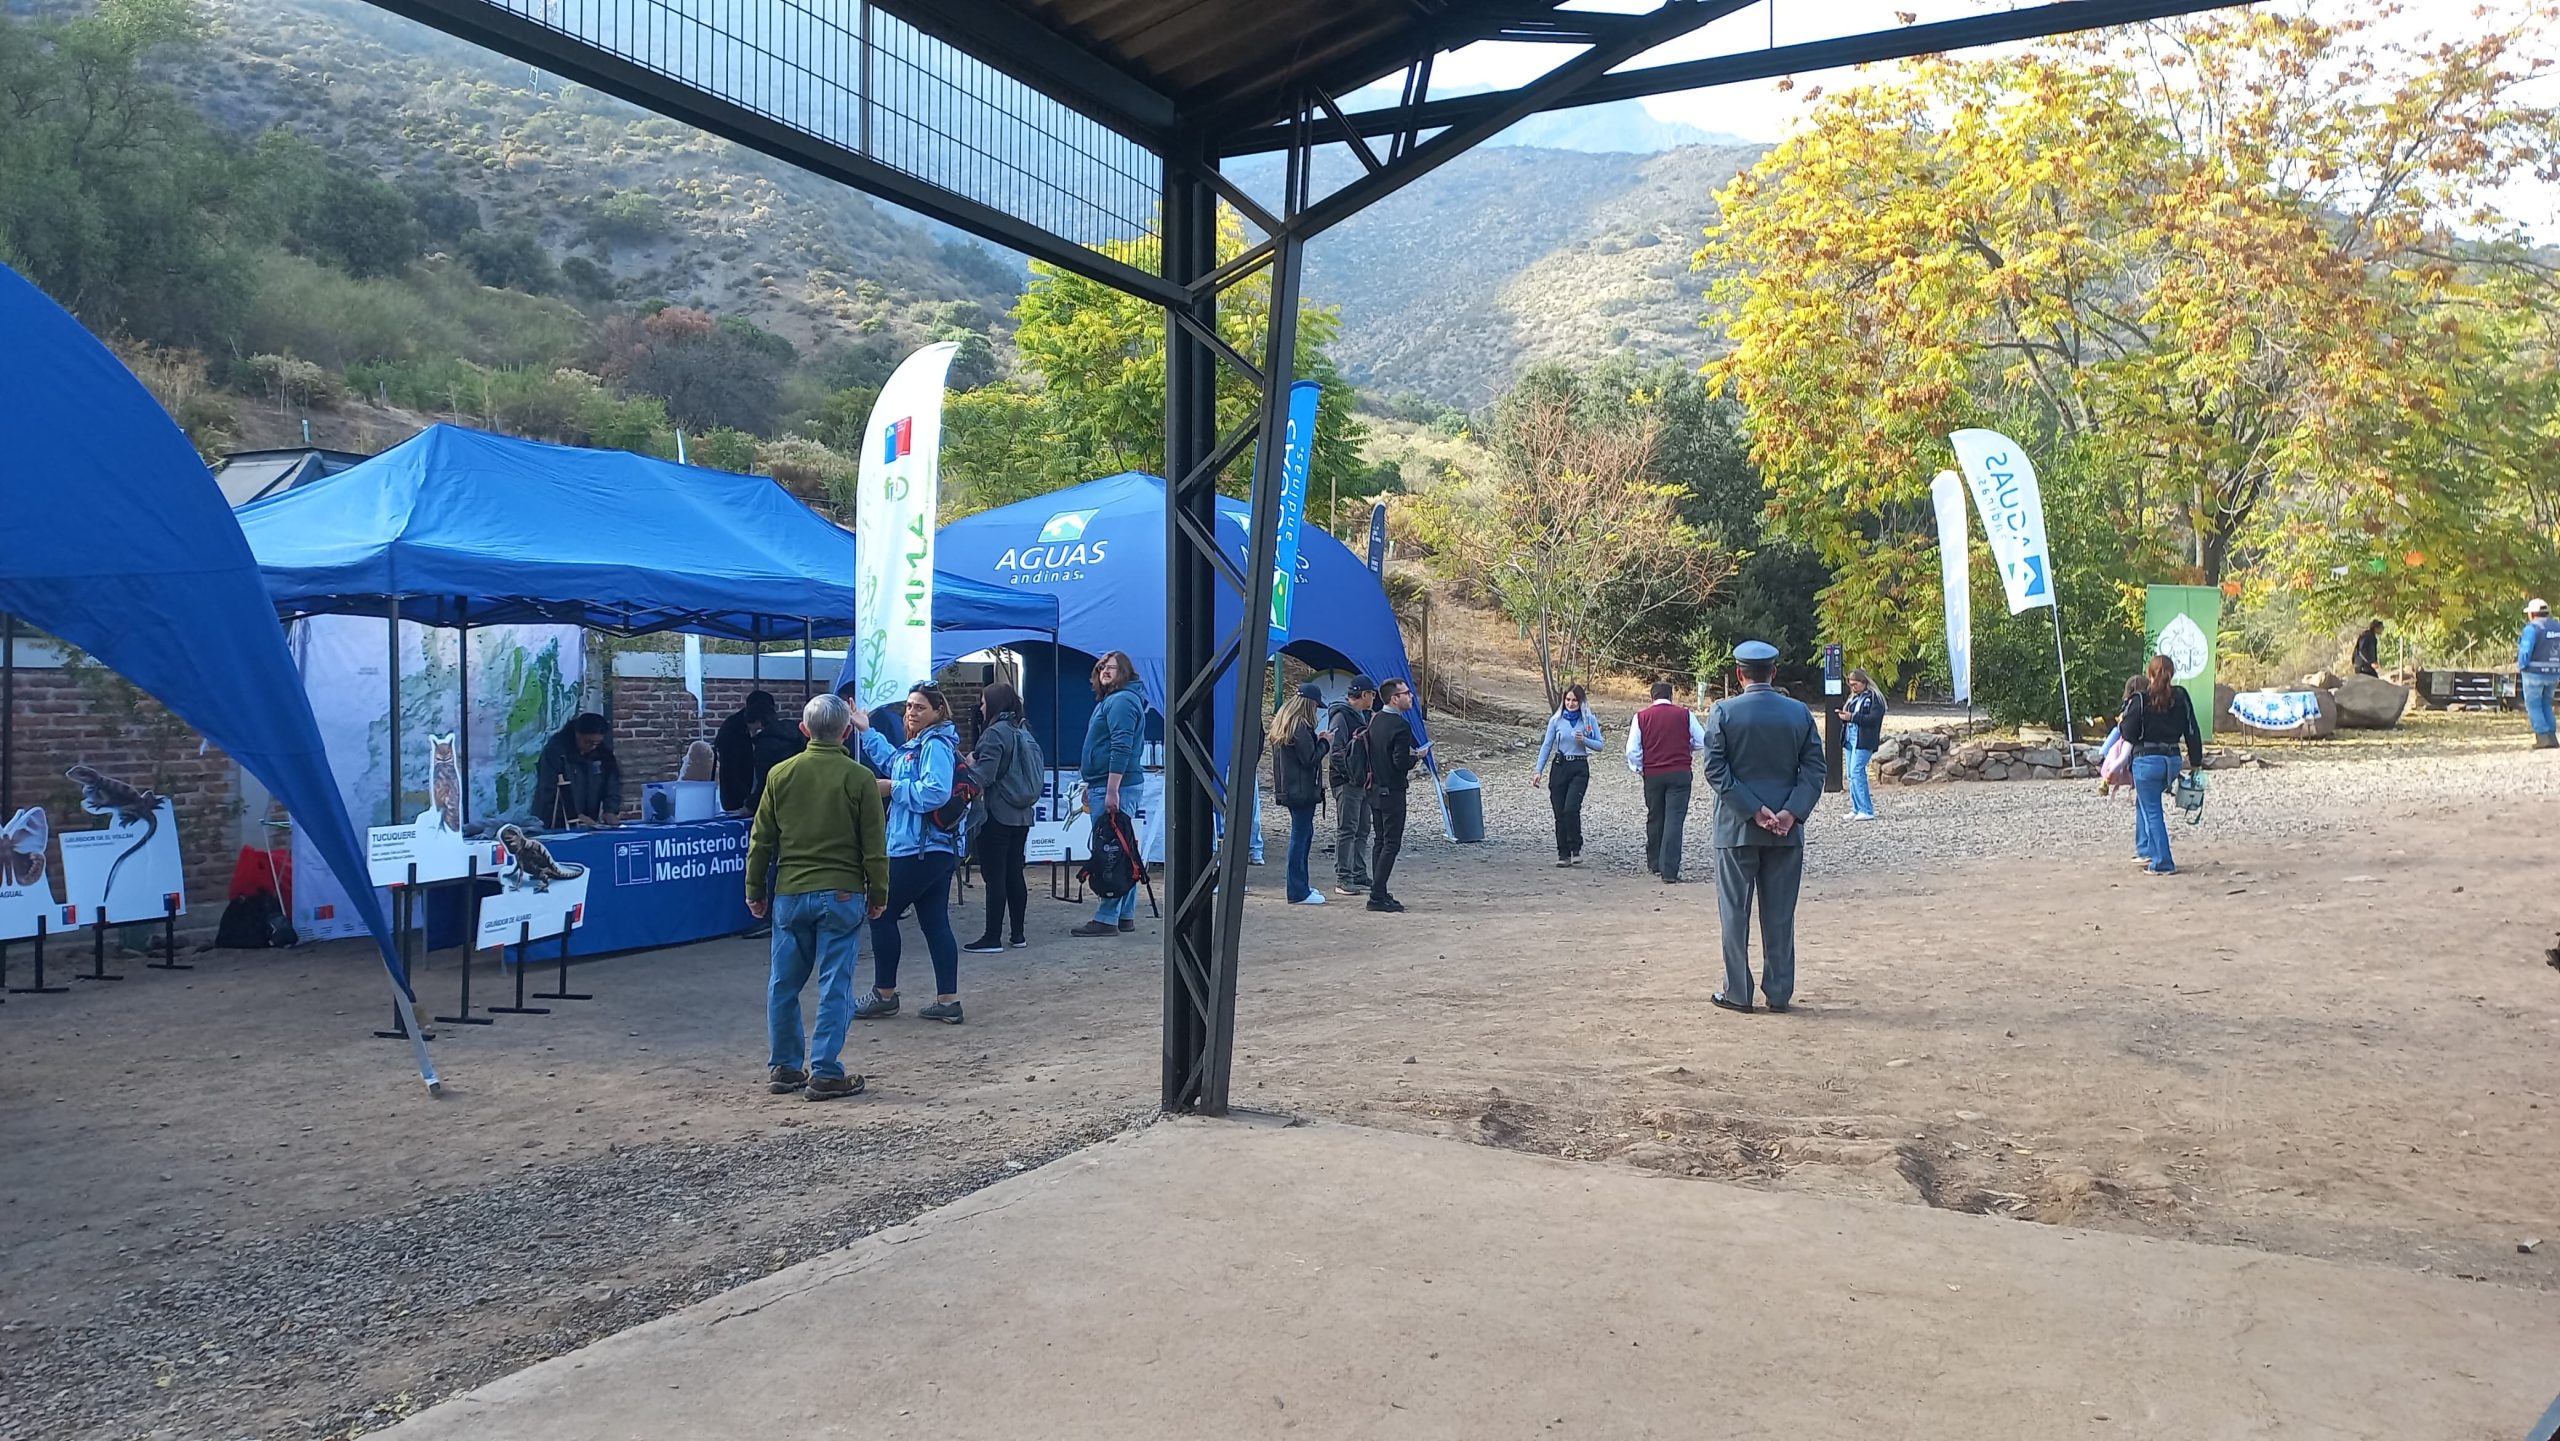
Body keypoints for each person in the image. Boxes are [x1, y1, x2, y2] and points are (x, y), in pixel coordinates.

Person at [745, 694, 889, 1101]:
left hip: (790, 892)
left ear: (804, 729)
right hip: (842, 892)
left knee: (783, 983)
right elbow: (874, 846)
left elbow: (761, 841)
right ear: (846, 732)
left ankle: (785, 1066)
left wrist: (755, 889)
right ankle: (826, 1070)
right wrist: (879, 892)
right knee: (835, 984)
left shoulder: (780, 774)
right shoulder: (859, 778)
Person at [1701, 641, 1827, 1014]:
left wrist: (1754, 810)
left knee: (1734, 914)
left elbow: (1715, 769)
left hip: (1736, 829)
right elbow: (1815, 769)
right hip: (1786, 833)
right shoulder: (1799, 713)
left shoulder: (1723, 712)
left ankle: (1738, 993)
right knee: (1780, 916)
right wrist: (1791, 812)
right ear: (1774, 672)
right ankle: (1779, 992)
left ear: (1739, 674)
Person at [848, 684, 966, 1023]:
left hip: (918, 848)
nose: (912, 712)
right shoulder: (923, 745)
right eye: (910, 706)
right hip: (930, 848)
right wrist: (867, 731)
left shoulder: (935, 746)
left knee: (881, 913)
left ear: (938, 712)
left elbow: (935, 792)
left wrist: (892, 788)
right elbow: (894, 761)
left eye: (920, 707)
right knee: (934, 921)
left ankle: (885, 994)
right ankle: (947, 1001)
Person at [1073, 650, 1148, 937]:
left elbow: (1121, 745)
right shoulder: (1117, 700)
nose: (1104, 670)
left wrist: (1111, 789)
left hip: (1116, 785)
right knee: (1123, 848)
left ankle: (1106, 918)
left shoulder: (1121, 702)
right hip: (1107, 783)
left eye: (1111, 667)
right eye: (1102, 666)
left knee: (1110, 851)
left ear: (1124, 671)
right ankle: (1124, 914)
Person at [964, 683, 1041, 954]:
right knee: (1014, 873)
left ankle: (992, 937)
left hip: (997, 814)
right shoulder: (1024, 731)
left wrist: (969, 764)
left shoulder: (994, 734)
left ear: (994, 704)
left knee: (994, 876)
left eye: (984, 702)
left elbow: (984, 777)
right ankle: (1018, 934)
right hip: (1023, 815)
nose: (981, 707)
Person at [2118, 654, 2204, 876]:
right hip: (2172, 761)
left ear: (2149, 674)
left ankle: (2162, 862)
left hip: (2146, 762)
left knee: (2153, 811)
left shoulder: (2140, 699)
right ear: (2172, 674)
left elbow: (2128, 732)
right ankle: (2145, 849)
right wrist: (2196, 762)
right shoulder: (2181, 696)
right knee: (2145, 803)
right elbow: (2192, 729)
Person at [1625, 680, 1704, 884]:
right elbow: (1702, 740)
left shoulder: (1641, 717)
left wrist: (1641, 768)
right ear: (1671, 696)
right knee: (1674, 820)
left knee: (1655, 816)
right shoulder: (1685, 715)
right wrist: (1686, 747)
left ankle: (1654, 862)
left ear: (1652, 697)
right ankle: (1669, 870)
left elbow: (1632, 750)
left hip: (1653, 774)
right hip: (1679, 772)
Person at [1364, 677, 1426, 912]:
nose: (1411, 697)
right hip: (1392, 791)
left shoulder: (1375, 719)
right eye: (1406, 693)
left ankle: (1378, 890)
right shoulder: (1400, 726)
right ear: (1394, 699)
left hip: (1374, 788)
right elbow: (1400, 762)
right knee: (1391, 843)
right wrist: (1416, 757)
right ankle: (1377, 896)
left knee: (1380, 841)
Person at [1270, 682, 1329, 905]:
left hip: (1290, 789)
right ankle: (1298, 890)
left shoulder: (1284, 724)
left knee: (1302, 835)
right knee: (1300, 838)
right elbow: (1309, 758)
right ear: (1309, 705)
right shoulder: (1301, 727)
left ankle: (1301, 885)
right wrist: (1324, 743)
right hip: (1302, 790)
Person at [1532, 684, 1604, 866]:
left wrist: (1585, 740)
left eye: (1575, 700)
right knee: (1559, 812)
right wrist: (1538, 770)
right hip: (1560, 766)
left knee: (1571, 808)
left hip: (1579, 767)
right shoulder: (1556, 721)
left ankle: (1575, 847)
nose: (1571, 704)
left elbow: (1600, 745)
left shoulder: (1588, 720)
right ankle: (1563, 854)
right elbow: (1547, 745)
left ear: (1581, 702)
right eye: (1568, 700)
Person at [1326, 677, 1377, 895]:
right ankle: (1343, 877)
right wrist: (1351, 775)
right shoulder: (1342, 716)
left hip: (1363, 781)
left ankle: (1358, 872)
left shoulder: (1366, 716)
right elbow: (1335, 751)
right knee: (1347, 828)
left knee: (1363, 827)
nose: (1374, 698)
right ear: (1364, 694)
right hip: (1347, 782)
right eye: (1372, 694)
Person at [534, 713, 623, 829]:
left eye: (596, 743)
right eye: (588, 742)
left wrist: (610, 810)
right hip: (554, 822)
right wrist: (574, 815)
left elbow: (612, 783)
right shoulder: (555, 751)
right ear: (577, 734)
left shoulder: (603, 752)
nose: (592, 747)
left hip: (589, 820)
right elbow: (548, 790)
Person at [714, 690, 781, 813]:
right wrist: (745, 801)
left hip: (757, 793)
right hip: (738, 795)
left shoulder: (770, 728)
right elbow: (729, 770)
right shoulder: (731, 730)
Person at [1835, 670, 1886, 821]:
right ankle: (1856, 808)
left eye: (1855, 684)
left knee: (1857, 771)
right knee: (1851, 774)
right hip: (1851, 738)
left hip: (1864, 739)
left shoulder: (1875, 698)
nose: (1853, 688)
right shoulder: (1854, 698)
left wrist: (1852, 717)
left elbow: (1874, 719)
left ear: (1864, 682)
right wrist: (1845, 717)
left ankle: (1866, 809)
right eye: (1851, 685)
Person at [2521, 599, 2560, 750]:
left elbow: (2526, 650)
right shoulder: (2557, 627)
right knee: (2546, 703)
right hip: (2554, 673)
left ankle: (2543, 737)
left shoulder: (2532, 628)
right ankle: (2552, 737)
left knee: (2534, 705)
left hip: (2534, 673)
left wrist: (2522, 665)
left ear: (2532, 614)